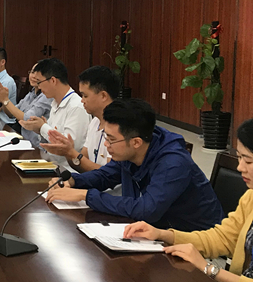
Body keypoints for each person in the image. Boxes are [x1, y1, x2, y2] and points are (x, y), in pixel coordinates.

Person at [46, 98, 224, 231]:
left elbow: (147, 210)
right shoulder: (133, 149)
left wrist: (85, 196)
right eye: (105, 137)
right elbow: (106, 175)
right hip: (155, 231)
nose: (106, 144)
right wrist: (74, 181)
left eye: (111, 139)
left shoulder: (173, 163)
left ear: (136, 142)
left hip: (193, 241)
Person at [123, 119, 253, 282]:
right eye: (239, 157)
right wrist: (163, 235)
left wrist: (209, 269)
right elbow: (224, 238)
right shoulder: (250, 197)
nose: (240, 167)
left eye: (248, 161)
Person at [40, 65, 120, 172]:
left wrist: (71, 152)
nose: (82, 100)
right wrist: (67, 152)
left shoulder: (119, 127)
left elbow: (108, 174)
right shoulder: (95, 122)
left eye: (85, 96)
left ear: (103, 96)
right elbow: (80, 164)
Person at [20, 58, 90, 172]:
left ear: (52, 80)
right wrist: (39, 130)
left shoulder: (76, 106)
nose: (38, 87)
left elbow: (70, 147)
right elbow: (49, 142)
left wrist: (42, 127)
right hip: (50, 163)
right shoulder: (55, 103)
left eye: (39, 82)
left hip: (67, 171)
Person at [0, 63, 52, 147]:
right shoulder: (32, 92)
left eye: (38, 74)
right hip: (21, 137)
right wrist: (2, 101)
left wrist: (6, 100)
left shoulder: (46, 96)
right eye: (32, 72)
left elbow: (27, 119)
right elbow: (11, 114)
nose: (33, 76)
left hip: (34, 144)